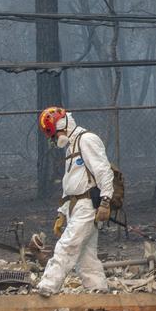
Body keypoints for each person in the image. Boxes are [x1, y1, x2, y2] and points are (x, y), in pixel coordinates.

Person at [36, 106, 114, 296]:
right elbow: (69, 183)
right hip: (75, 205)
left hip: (87, 205)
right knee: (86, 257)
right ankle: (98, 289)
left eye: (55, 134)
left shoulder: (86, 140)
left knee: (67, 245)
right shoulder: (72, 146)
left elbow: (103, 171)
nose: (54, 139)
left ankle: (47, 286)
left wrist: (106, 201)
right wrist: (62, 213)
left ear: (63, 125)